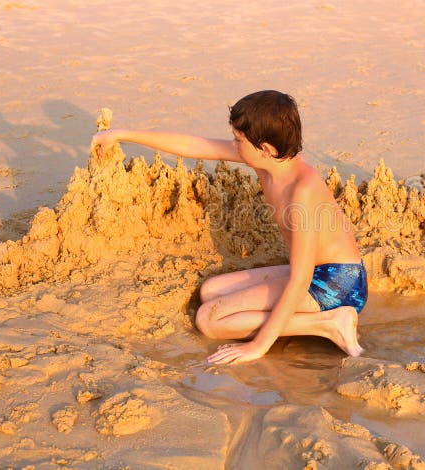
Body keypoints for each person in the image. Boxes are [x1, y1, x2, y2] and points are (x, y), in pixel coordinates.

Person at [91, 90, 366, 365]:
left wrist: (258, 347)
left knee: (209, 320)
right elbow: (196, 145)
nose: (233, 145)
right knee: (210, 291)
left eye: (238, 140)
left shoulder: (302, 191)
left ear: (266, 148)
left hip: (337, 284)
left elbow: (300, 281)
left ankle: (328, 322)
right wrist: (122, 134)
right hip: (317, 273)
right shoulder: (268, 163)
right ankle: (321, 321)